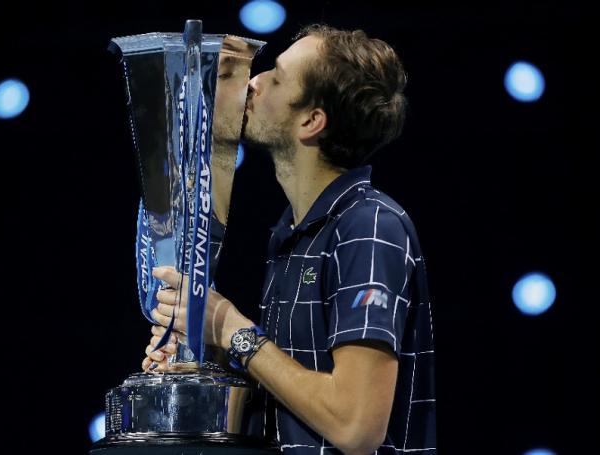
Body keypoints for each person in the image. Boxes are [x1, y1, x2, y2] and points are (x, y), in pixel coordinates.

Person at [142, 24, 437, 455]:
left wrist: (230, 327)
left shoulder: (369, 226)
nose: (253, 83)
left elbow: (355, 426)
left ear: (311, 121)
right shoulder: (295, 233)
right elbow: (298, 400)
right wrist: (206, 350)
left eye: (275, 77)